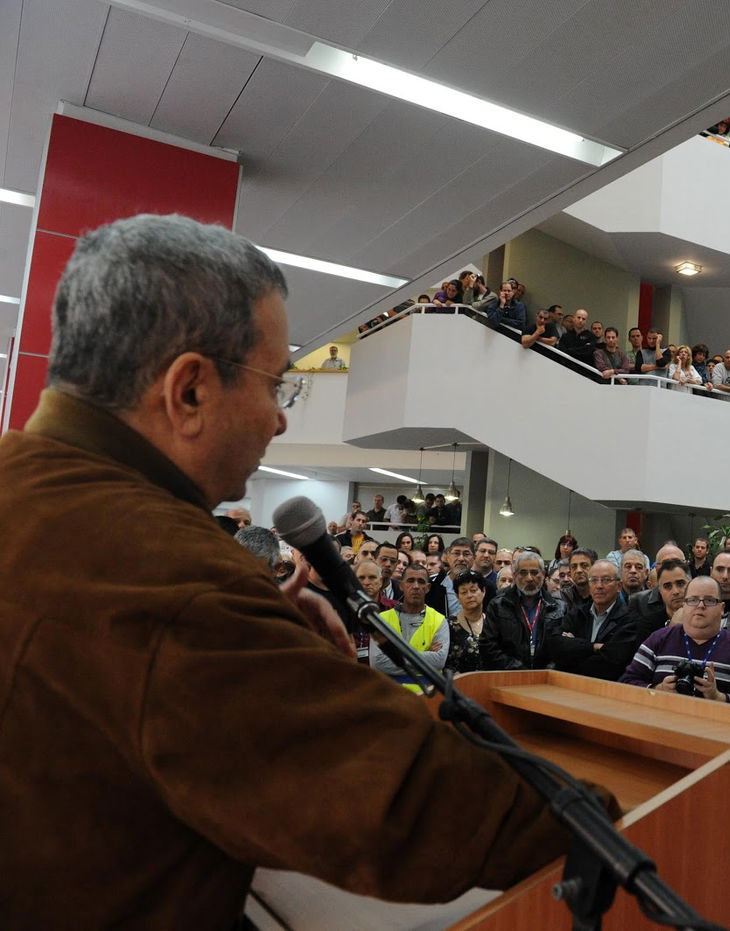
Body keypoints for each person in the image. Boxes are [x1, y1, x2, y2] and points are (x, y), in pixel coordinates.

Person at [0, 214, 570, 925]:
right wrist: (627, 825)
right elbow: (417, 810)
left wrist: (262, 635)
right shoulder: (180, 580)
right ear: (191, 392)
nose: (280, 420)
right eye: (278, 385)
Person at [620, 575, 730, 706]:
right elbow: (625, 684)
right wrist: (657, 690)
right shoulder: (658, 639)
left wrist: (719, 697)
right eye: (693, 600)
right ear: (684, 604)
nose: (700, 605)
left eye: (709, 600)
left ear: (722, 608)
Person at [547, 558, 645, 680]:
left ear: (619, 586)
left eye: (606, 580)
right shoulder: (577, 613)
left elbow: (612, 663)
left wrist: (574, 647)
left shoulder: (630, 620)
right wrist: (593, 647)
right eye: (593, 580)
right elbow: (555, 647)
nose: (599, 586)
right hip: (570, 687)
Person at [479, 551, 566, 670]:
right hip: (508, 677)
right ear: (514, 575)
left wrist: (547, 671)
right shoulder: (498, 605)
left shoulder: (559, 607)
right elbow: (488, 646)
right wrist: (518, 670)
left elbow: (564, 648)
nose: (529, 578)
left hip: (547, 679)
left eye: (535, 572)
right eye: (523, 573)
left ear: (544, 574)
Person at [444, 569, 492, 676]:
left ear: (483, 591)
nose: (469, 595)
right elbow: (446, 664)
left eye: (473, 590)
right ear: (457, 597)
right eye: (464, 592)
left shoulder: (493, 623)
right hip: (459, 685)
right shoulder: (448, 625)